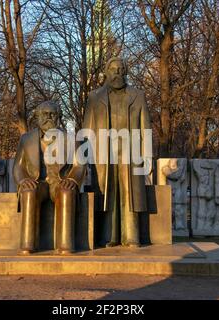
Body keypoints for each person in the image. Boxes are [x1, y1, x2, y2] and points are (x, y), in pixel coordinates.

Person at [82, 57, 152, 248]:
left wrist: (147, 154)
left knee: (131, 193)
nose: (118, 73)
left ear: (126, 72)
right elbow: (87, 129)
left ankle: (132, 236)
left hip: (132, 151)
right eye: (114, 70)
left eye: (121, 69)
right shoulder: (95, 97)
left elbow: (146, 127)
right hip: (103, 152)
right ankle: (109, 236)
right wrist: (84, 157)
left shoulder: (138, 95)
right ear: (106, 72)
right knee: (107, 193)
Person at [13, 101, 84, 254]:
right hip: (38, 183)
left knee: (66, 192)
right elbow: (18, 167)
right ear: (37, 117)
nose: (49, 117)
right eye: (44, 114)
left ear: (59, 117)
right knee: (29, 192)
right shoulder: (26, 139)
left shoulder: (72, 139)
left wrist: (72, 180)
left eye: (53, 114)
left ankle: (65, 245)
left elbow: (79, 166)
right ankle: (27, 245)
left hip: (60, 182)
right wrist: (23, 180)